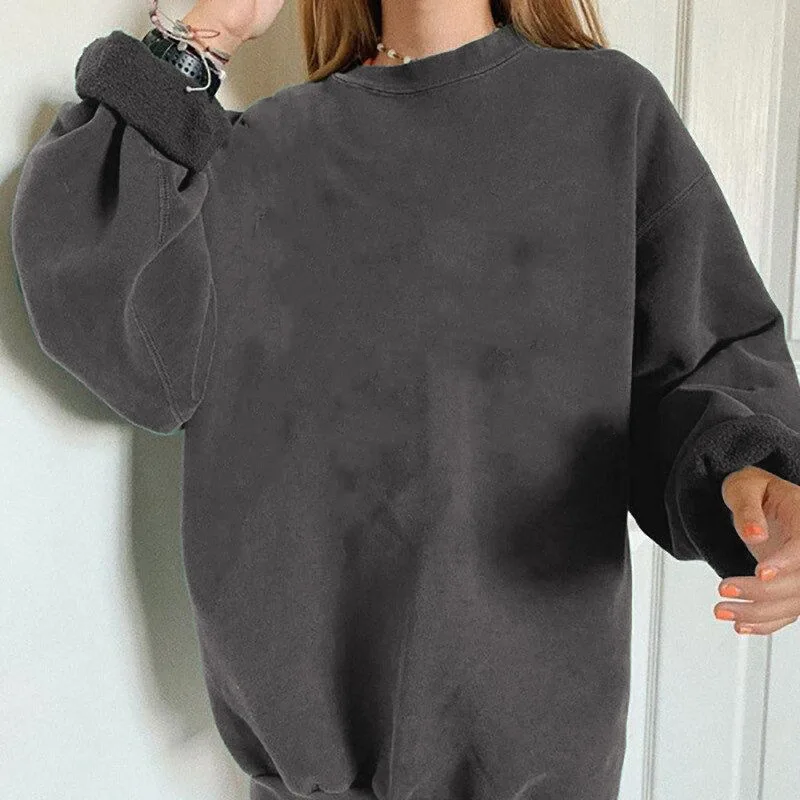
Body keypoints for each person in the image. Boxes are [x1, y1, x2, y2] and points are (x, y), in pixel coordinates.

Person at [10, 0, 800, 797]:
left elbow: (703, 357)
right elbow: (102, 308)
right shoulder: (254, 155)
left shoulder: (609, 114)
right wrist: (208, 32)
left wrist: (752, 477)